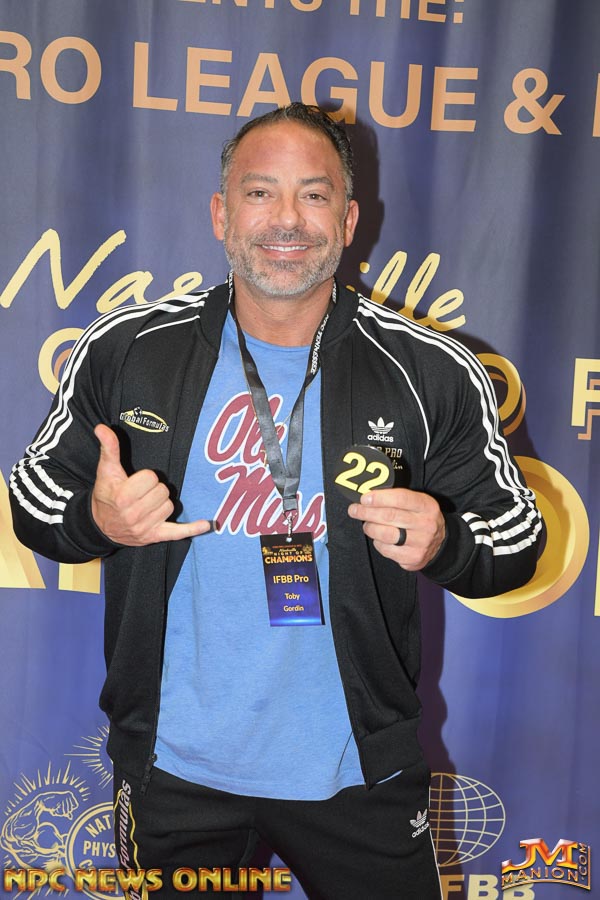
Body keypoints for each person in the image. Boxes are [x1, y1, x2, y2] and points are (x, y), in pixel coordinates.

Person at [10, 103, 542, 899]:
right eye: (260, 193)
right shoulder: (127, 351)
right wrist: (95, 519)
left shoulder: (430, 371)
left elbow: (518, 540)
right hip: (173, 773)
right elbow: (32, 500)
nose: (287, 219)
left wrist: (447, 545)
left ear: (350, 219)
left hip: (356, 771)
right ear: (221, 214)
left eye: (314, 194)